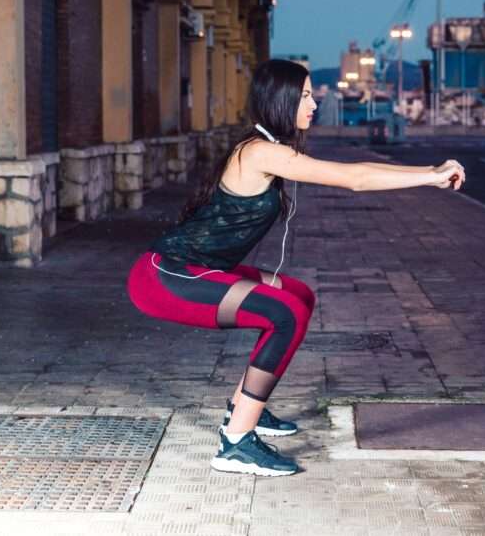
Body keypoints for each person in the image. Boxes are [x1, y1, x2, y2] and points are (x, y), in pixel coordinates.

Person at [125, 58, 465, 477]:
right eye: (305, 95)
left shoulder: (265, 145)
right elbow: (353, 179)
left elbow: (355, 172)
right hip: (165, 277)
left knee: (297, 295)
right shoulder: (261, 151)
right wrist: (428, 178)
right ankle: (235, 444)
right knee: (283, 313)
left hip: (193, 271)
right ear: (282, 100)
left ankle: (243, 410)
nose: (314, 104)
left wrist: (430, 172)